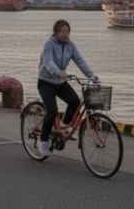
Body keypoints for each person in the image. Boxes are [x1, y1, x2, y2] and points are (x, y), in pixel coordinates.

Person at [37, 19, 98, 155]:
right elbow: (48, 62)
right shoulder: (49, 44)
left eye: (67, 31)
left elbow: (80, 61)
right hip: (46, 82)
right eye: (62, 31)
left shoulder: (70, 46)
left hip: (60, 82)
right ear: (56, 32)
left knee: (75, 102)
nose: (65, 34)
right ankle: (44, 141)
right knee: (52, 111)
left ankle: (63, 127)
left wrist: (91, 76)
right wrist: (59, 72)